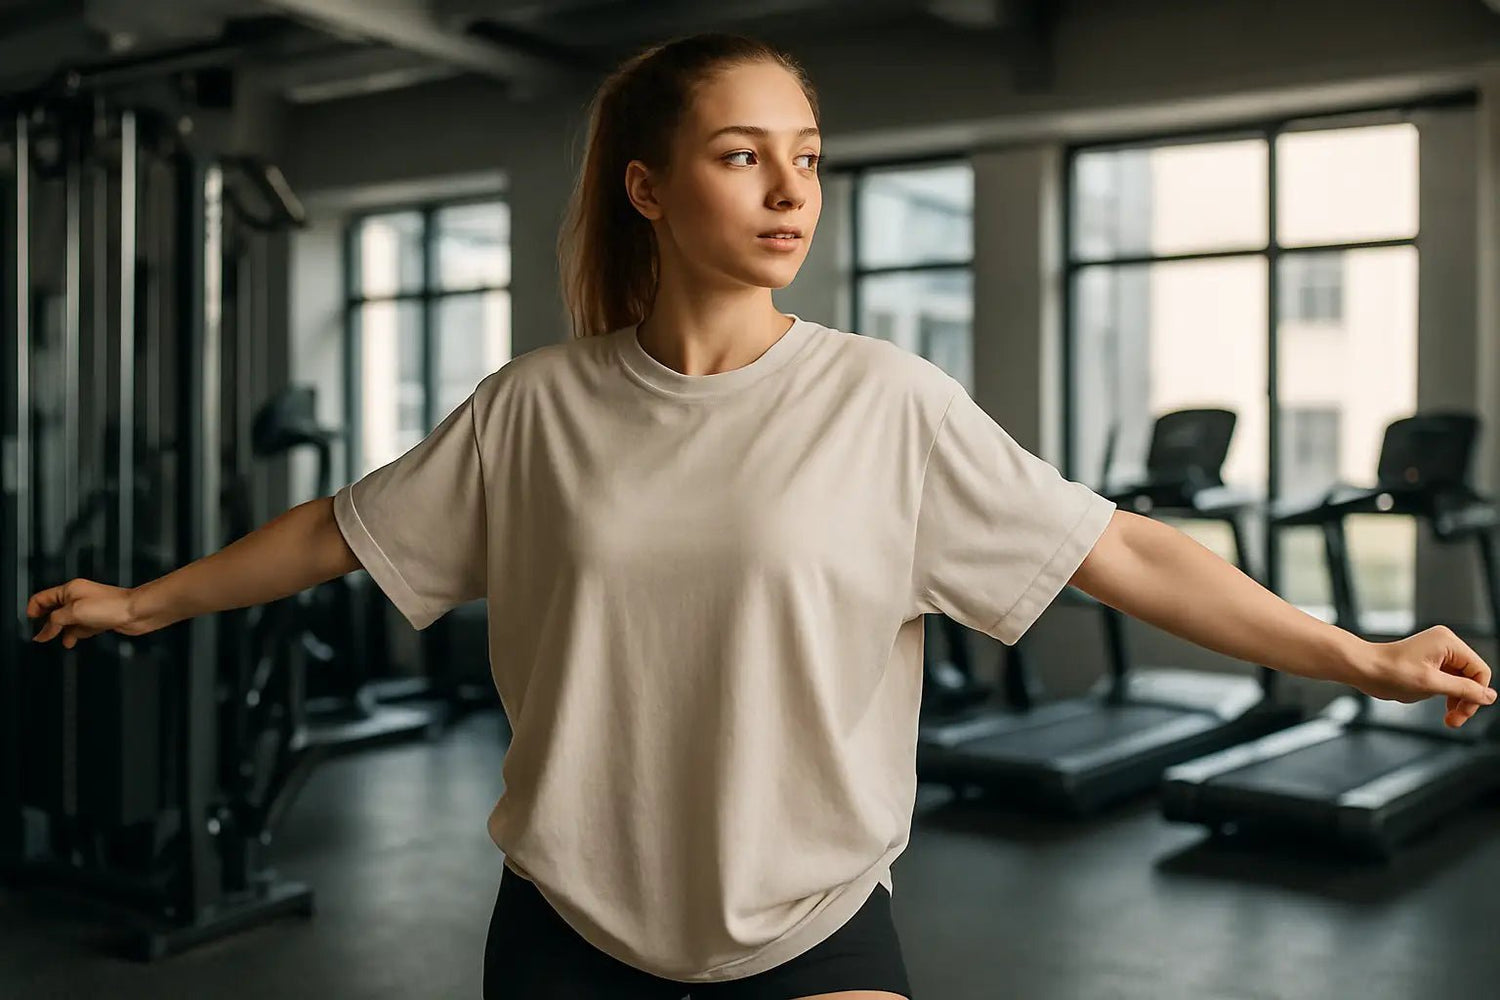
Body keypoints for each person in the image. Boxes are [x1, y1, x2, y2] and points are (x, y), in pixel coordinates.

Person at [24, 32, 1496, 1000]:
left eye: (808, 154)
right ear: (649, 188)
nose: (793, 188)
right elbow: (345, 531)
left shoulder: (886, 401)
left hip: (810, 927)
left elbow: (1118, 548)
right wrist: (147, 601)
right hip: (566, 927)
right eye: (743, 155)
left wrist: (1357, 655)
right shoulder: (535, 406)